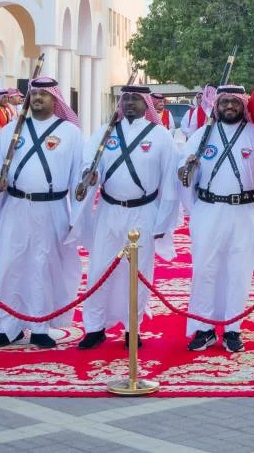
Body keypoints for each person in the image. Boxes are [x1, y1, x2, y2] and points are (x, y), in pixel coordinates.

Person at [0, 77, 85, 349]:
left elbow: (78, 178)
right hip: (15, 207)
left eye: (43, 95)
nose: (37, 98)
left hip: (53, 209)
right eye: (33, 94)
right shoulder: (13, 129)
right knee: (10, 265)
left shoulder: (70, 133)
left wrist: (77, 218)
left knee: (44, 266)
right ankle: (8, 326)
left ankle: (40, 326)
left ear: (55, 100)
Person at [177, 85, 254, 352]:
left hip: (246, 211)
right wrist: (187, 168)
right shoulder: (202, 135)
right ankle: (204, 329)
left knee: (238, 273)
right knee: (205, 271)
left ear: (243, 105)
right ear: (217, 105)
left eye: (234, 102)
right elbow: (182, 176)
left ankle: (232, 329)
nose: (229, 106)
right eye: (224, 101)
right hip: (209, 210)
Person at [71, 85, 178, 350]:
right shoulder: (105, 132)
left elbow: (170, 184)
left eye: (135, 99)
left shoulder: (160, 136)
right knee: (99, 270)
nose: (129, 103)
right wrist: (90, 174)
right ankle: (95, 328)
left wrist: (163, 223)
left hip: (143, 213)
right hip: (109, 211)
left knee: (139, 273)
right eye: (125, 98)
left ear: (146, 104)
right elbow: (88, 162)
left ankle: (133, 329)